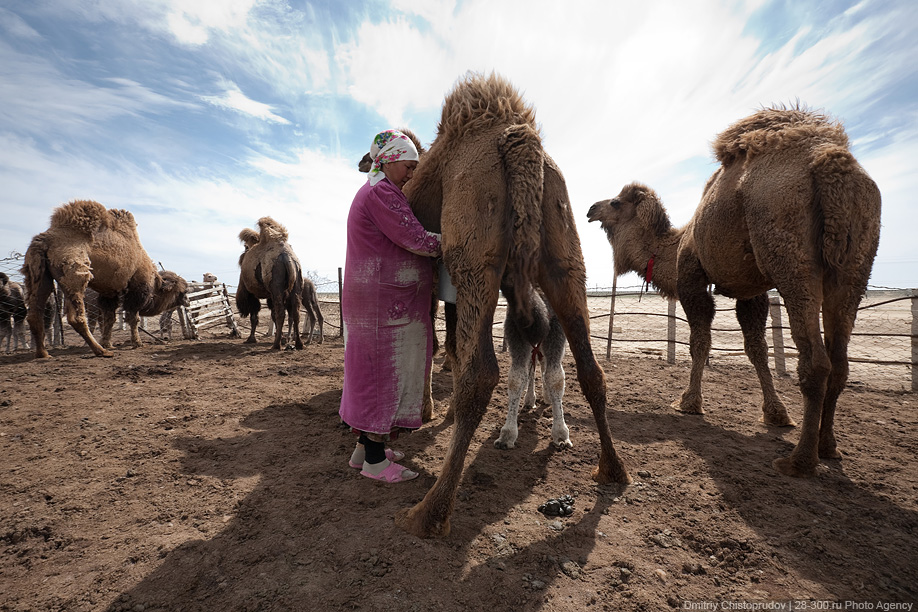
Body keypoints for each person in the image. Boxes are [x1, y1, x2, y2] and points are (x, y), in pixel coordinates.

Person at [339, 129, 441, 483]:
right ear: (391, 160)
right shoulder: (383, 192)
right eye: (409, 166)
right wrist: (458, 240)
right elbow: (416, 239)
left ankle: (365, 450)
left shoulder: (378, 189)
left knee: (371, 373)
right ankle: (374, 463)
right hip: (383, 305)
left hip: (380, 301)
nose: (412, 174)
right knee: (380, 375)